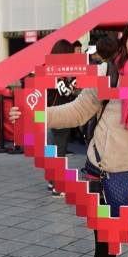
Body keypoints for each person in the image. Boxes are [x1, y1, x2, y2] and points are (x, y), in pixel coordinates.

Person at [10, 13, 128, 257]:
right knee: (105, 250)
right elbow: (78, 111)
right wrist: (33, 114)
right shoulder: (109, 72)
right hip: (104, 175)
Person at [47, 39, 78, 196]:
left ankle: (51, 181)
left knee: (52, 149)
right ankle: (57, 186)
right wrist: (74, 82)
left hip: (48, 113)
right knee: (59, 149)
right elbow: (64, 91)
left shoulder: (48, 68)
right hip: (59, 114)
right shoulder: (58, 72)